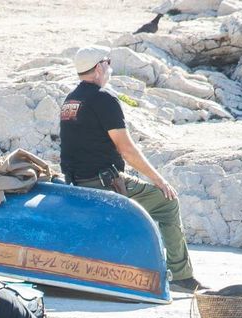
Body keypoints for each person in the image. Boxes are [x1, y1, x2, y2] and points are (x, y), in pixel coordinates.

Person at [60, 45, 206, 294]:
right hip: (104, 184)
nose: (110, 68)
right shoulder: (103, 99)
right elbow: (126, 149)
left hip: (77, 182)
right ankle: (181, 276)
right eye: (108, 63)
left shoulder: (70, 100)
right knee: (166, 202)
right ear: (99, 68)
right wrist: (160, 180)